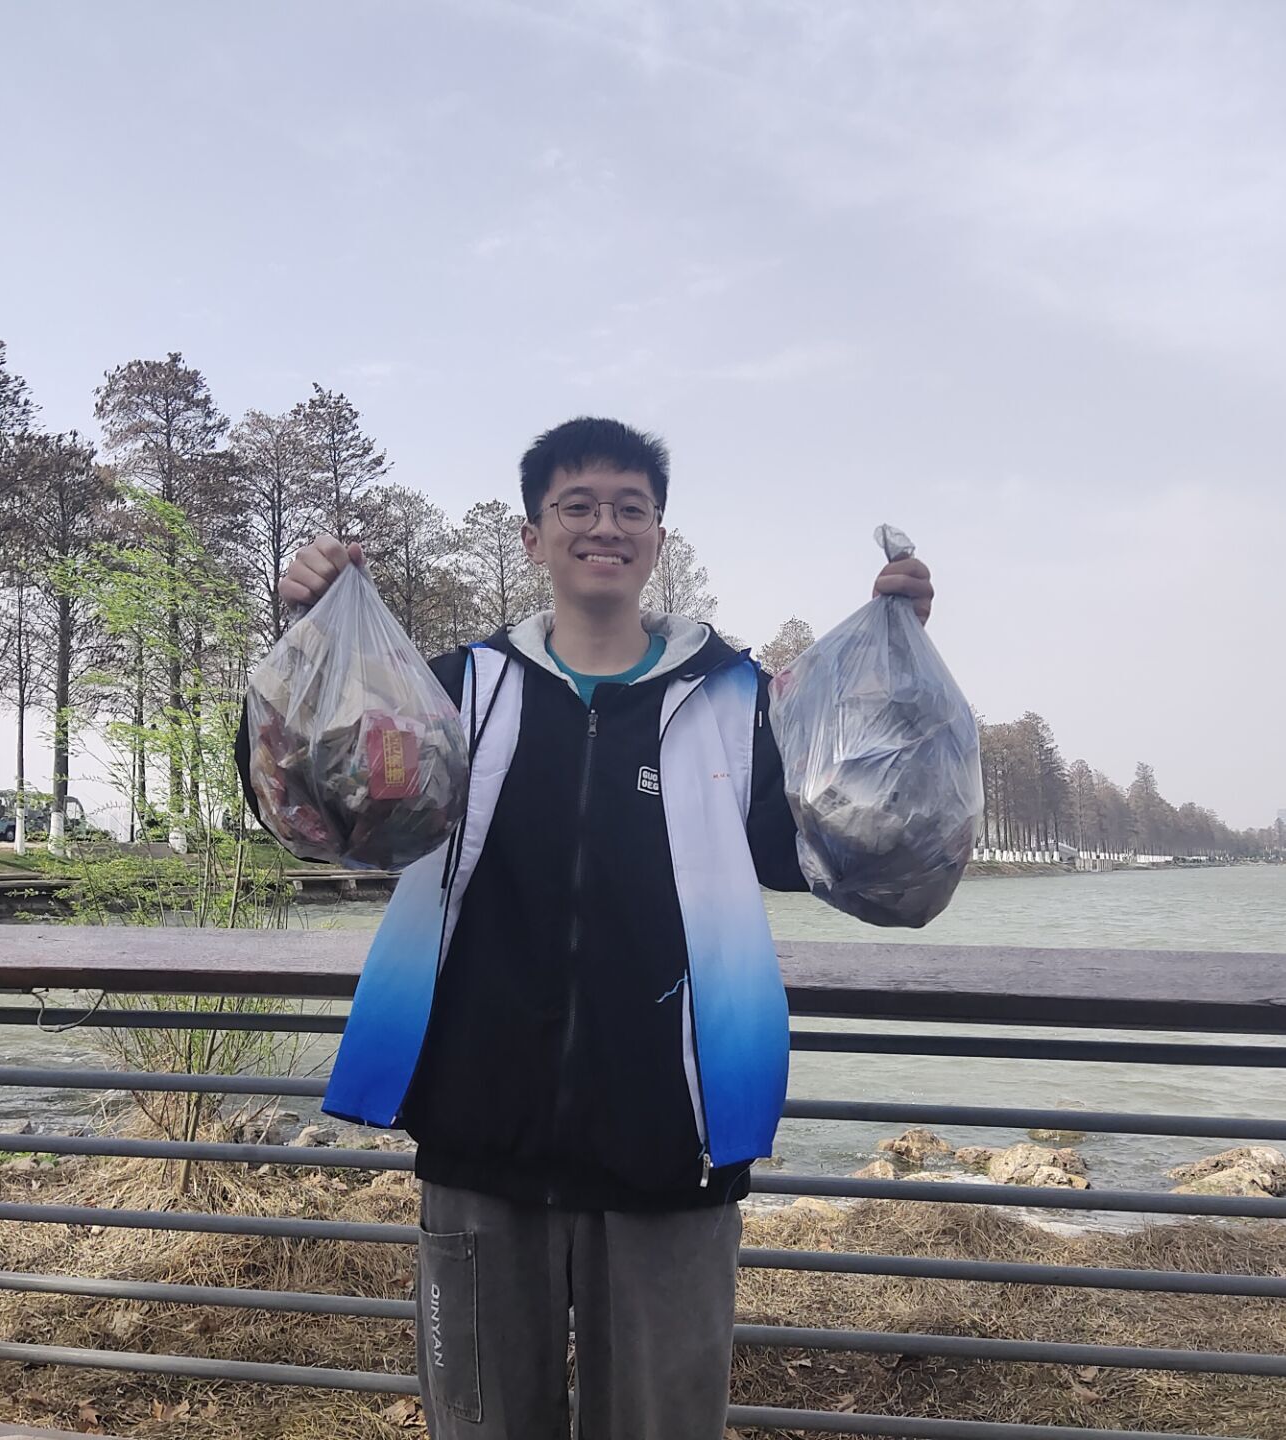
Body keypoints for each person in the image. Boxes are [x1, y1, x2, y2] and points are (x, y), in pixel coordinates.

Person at [242, 417, 933, 1438]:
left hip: (676, 1144)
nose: (604, 525)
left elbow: (833, 847)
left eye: (629, 508)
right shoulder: (452, 693)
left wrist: (893, 671)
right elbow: (312, 804)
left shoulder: (738, 703)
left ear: (657, 538)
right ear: (533, 537)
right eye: (576, 505)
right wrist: (309, 630)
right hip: (481, 1135)